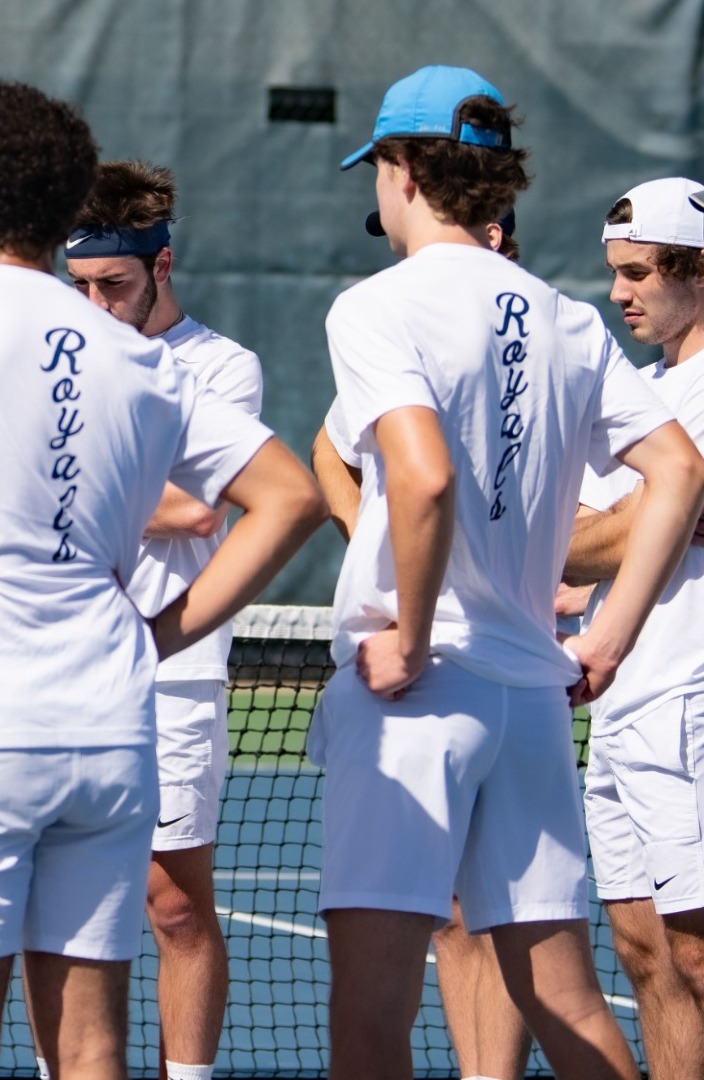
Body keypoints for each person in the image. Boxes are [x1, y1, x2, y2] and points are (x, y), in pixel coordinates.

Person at [0, 80, 326, 1080]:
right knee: (90, 1050)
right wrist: (158, 635)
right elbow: (291, 498)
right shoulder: (145, 362)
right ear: (64, 207)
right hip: (108, 734)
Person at [315, 65, 704, 1080]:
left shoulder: (375, 308)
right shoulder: (568, 320)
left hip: (416, 698)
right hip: (530, 701)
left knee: (371, 1013)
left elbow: (424, 476)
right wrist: (605, 642)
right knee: (568, 998)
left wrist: (407, 639)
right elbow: (680, 473)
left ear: (402, 172)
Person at [316, 209, 537, 1080]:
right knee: (472, 927)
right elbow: (330, 452)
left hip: (472, 670)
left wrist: (410, 631)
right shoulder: (399, 336)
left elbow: (660, 484)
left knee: (505, 935)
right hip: (481, 677)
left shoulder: (551, 337)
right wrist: (373, 542)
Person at [65, 159, 263, 1080]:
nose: (95, 305)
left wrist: (60, 491)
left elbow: (194, 508)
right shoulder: (57, 359)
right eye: (79, 285)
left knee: (175, 905)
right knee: (65, 899)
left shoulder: (221, 367)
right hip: (61, 671)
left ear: (162, 265)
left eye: (113, 284)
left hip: (174, 670)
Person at [560, 176, 704, 1080]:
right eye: (616, 272)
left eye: (640, 273)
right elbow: (582, 543)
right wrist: (643, 520)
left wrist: (630, 525)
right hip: (620, 709)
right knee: (645, 952)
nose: (619, 293)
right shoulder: (645, 396)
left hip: (691, 701)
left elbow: (601, 539)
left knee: (698, 954)